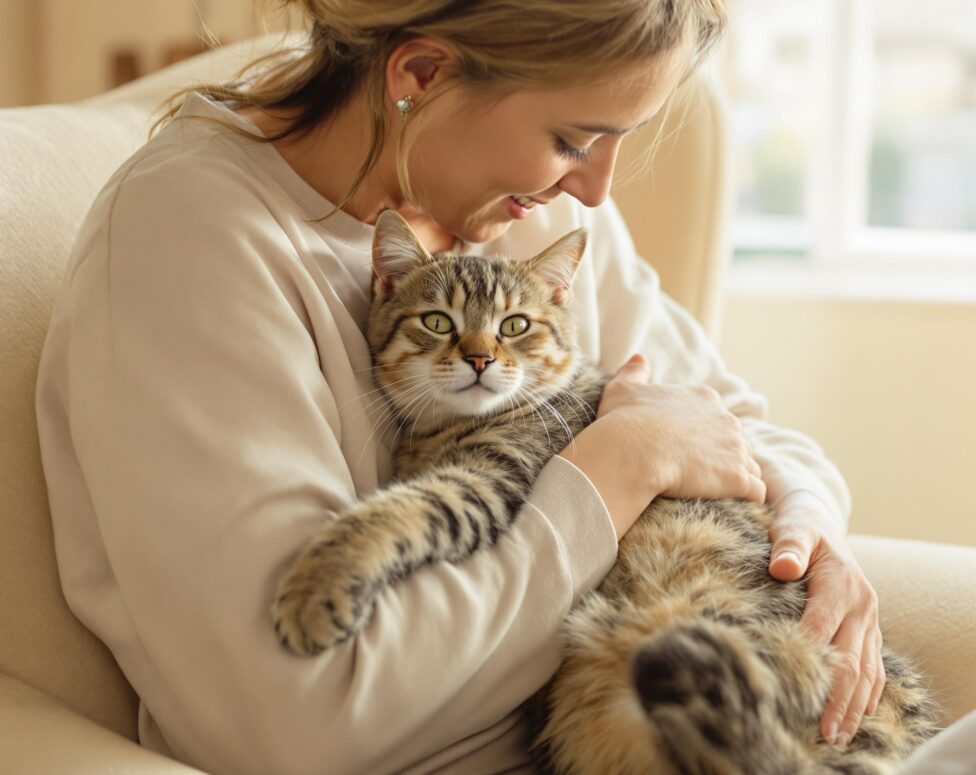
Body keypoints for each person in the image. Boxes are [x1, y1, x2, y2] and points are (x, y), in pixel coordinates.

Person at [35, 2, 885, 773]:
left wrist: (813, 541)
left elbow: (734, 422)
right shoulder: (190, 240)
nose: (595, 188)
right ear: (421, 75)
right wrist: (612, 475)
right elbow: (299, 718)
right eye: (572, 141)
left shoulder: (533, 210)